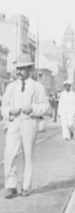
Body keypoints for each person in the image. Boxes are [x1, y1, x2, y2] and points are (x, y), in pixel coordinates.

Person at [1, 54, 51, 198]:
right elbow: (3, 107)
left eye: (22, 69)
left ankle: (26, 186)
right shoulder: (11, 87)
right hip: (13, 123)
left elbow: (46, 107)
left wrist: (33, 108)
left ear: (29, 69)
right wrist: (10, 110)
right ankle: (10, 186)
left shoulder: (38, 87)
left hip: (29, 123)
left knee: (28, 156)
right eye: (17, 69)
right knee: (10, 155)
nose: (19, 72)